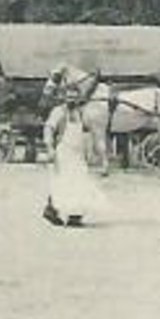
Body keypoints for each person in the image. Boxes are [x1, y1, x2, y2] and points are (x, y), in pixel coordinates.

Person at [42, 84, 106, 227]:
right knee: (63, 181)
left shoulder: (83, 114)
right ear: (64, 97)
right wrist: (50, 148)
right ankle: (53, 210)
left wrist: (93, 152)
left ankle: (74, 216)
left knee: (80, 181)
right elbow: (49, 129)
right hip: (63, 151)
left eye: (75, 96)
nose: (72, 99)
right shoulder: (58, 112)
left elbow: (90, 133)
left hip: (78, 154)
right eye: (69, 96)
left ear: (79, 98)